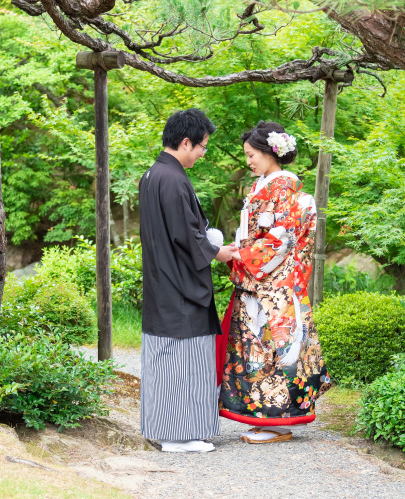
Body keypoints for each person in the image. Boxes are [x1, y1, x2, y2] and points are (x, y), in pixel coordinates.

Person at [220, 120, 331, 444]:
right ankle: (263, 416)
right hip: (264, 283)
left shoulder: (281, 188)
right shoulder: (268, 185)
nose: (248, 161)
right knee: (259, 351)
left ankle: (278, 422)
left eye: (252, 154)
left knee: (273, 349)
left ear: (270, 153)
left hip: (272, 286)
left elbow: (278, 239)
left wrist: (240, 256)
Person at [139, 109, 238, 452]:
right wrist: (219, 251)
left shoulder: (153, 174)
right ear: (185, 142)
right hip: (179, 287)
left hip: (161, 281)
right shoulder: (174, 179)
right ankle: (178, 436)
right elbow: (187, 237)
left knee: (165, 361)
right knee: (183, 362)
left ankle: (165, 429)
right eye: (202, 147)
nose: (203, 153)